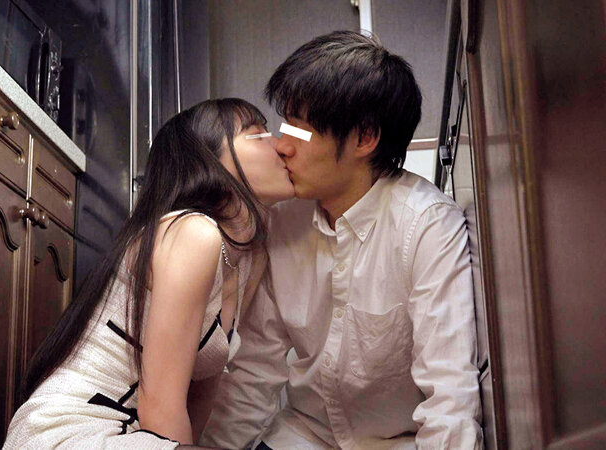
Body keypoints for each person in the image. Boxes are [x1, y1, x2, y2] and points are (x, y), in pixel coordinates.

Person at [200, 31, 483, 449]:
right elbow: (255, 368)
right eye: (284, 126)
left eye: (300, 131)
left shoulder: (428, 226)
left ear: (365, 138)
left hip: (397, 442)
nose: (281, 146)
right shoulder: (283, 220)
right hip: (303, 434)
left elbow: (450, 395)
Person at [3, 98, 294, 449]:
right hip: (69, 431)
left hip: (135, 438)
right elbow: (160, 408)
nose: (281, 145)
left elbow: (200, 399)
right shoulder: (192, 232)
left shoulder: (249, 258)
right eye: (257, 133)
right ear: (210, 160)